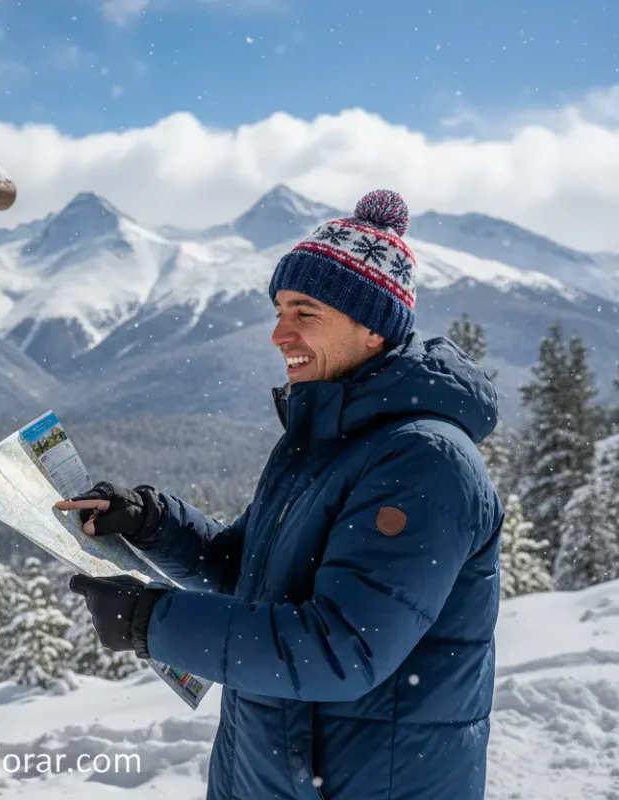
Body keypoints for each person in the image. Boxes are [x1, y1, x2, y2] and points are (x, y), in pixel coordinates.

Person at [57, 189, 503, 800]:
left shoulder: (424, 462)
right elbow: (249, 571)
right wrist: (152, 523)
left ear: (371, 327)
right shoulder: (326, 439)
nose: (278, 334)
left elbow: (340, 647)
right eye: (278, 309)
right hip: (268, 775)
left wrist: (151, 621)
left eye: (304, 312)